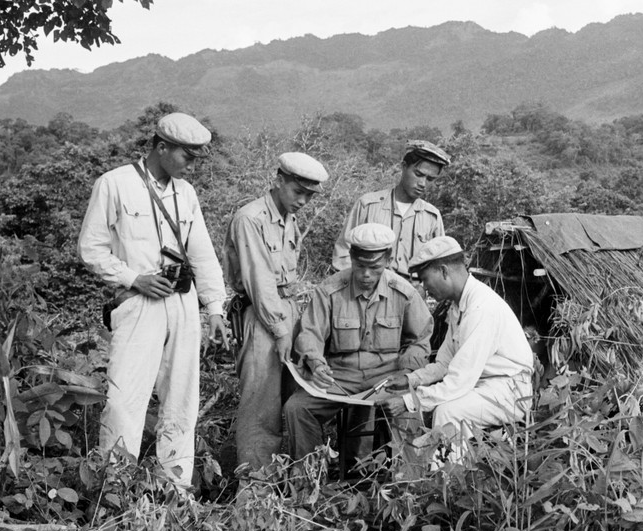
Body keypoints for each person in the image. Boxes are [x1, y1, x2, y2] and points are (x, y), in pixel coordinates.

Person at [78, 111, 228, 489]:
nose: (191, 166)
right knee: (123, 398)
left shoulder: (186, 193)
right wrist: (134, 279)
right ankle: (114, 488)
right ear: (162, 148)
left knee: (182, 398)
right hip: (138, 301)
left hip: (182, 302)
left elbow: (203, 253)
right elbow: (90, 249)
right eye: (187, 157)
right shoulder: (115, 184)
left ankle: (175, 490)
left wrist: (214, 308)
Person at [284, 224, 433, 462]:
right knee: (297, 408)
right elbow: (310, 333)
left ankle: (408, 485)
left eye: (374, 267)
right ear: (351, 258)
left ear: (388, 260)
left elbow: (420, 340)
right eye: (360, 266)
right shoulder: (330, 291)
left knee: (408, 407)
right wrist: (316, 363)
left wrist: (406, 372)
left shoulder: (403, 293)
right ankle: (307, 479)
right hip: (339, 376)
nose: (366, 275)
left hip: (387, 377)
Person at [223, 152, 329, 472]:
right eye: (298, 192)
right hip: (261, 316)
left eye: (309, 195)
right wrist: (281, 330)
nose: (303, 201)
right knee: (261, 408)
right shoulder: (250, 218)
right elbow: (260, 281)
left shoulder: (289, 219)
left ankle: (295, 480)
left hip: (288, 309)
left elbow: (286, 280)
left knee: (294, 400)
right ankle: (255, 494)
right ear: (279, 181)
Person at [379, 236, 533, 453]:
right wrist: (410, 380)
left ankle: (447, 481)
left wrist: (408, 402)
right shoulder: (458, 306)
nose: (424, 288)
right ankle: (440, 472)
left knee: (448, 411)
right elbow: (444, 364)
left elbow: (459, 381)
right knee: (438, 408)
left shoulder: (481, 308)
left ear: (443, 271)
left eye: (424, 279)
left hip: (509, 391)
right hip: (484, 385)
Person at [332, 140, 451, 277]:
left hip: (411, 293)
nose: (422, 184)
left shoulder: (432, 217)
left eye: (430, 179)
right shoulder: (368, 205)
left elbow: (439, 264)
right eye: (418, 174)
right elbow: (342, 254)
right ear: (404, 166)